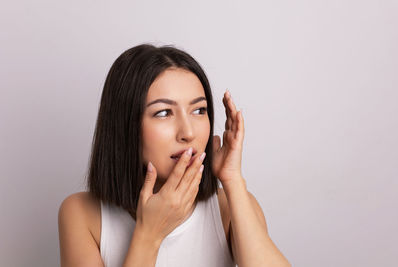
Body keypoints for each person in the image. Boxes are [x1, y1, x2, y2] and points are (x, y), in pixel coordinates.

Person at [58, 43, 291, 267]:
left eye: (199, 110)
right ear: (125, 126)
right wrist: (148, 235)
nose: (188, 132)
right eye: (163, 113)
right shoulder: (81, 213)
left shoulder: (230, 206)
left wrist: (232, 179)